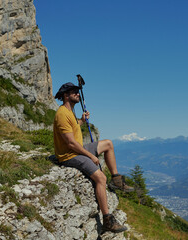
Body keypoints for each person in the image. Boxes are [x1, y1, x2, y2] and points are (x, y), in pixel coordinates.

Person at [53, 82, 134, 233]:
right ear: (66, 95)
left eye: (77, 91)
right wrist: (90, 155)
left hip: (78, 149)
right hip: (69, 155)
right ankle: (107, 219)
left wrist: (81, 121)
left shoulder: (69, 112)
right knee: (101, 178)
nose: (77, 94)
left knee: (108, 144)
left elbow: (72, 128)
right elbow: (70, 143)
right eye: (74, 92)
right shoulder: (62, 114)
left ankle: (116, 180)